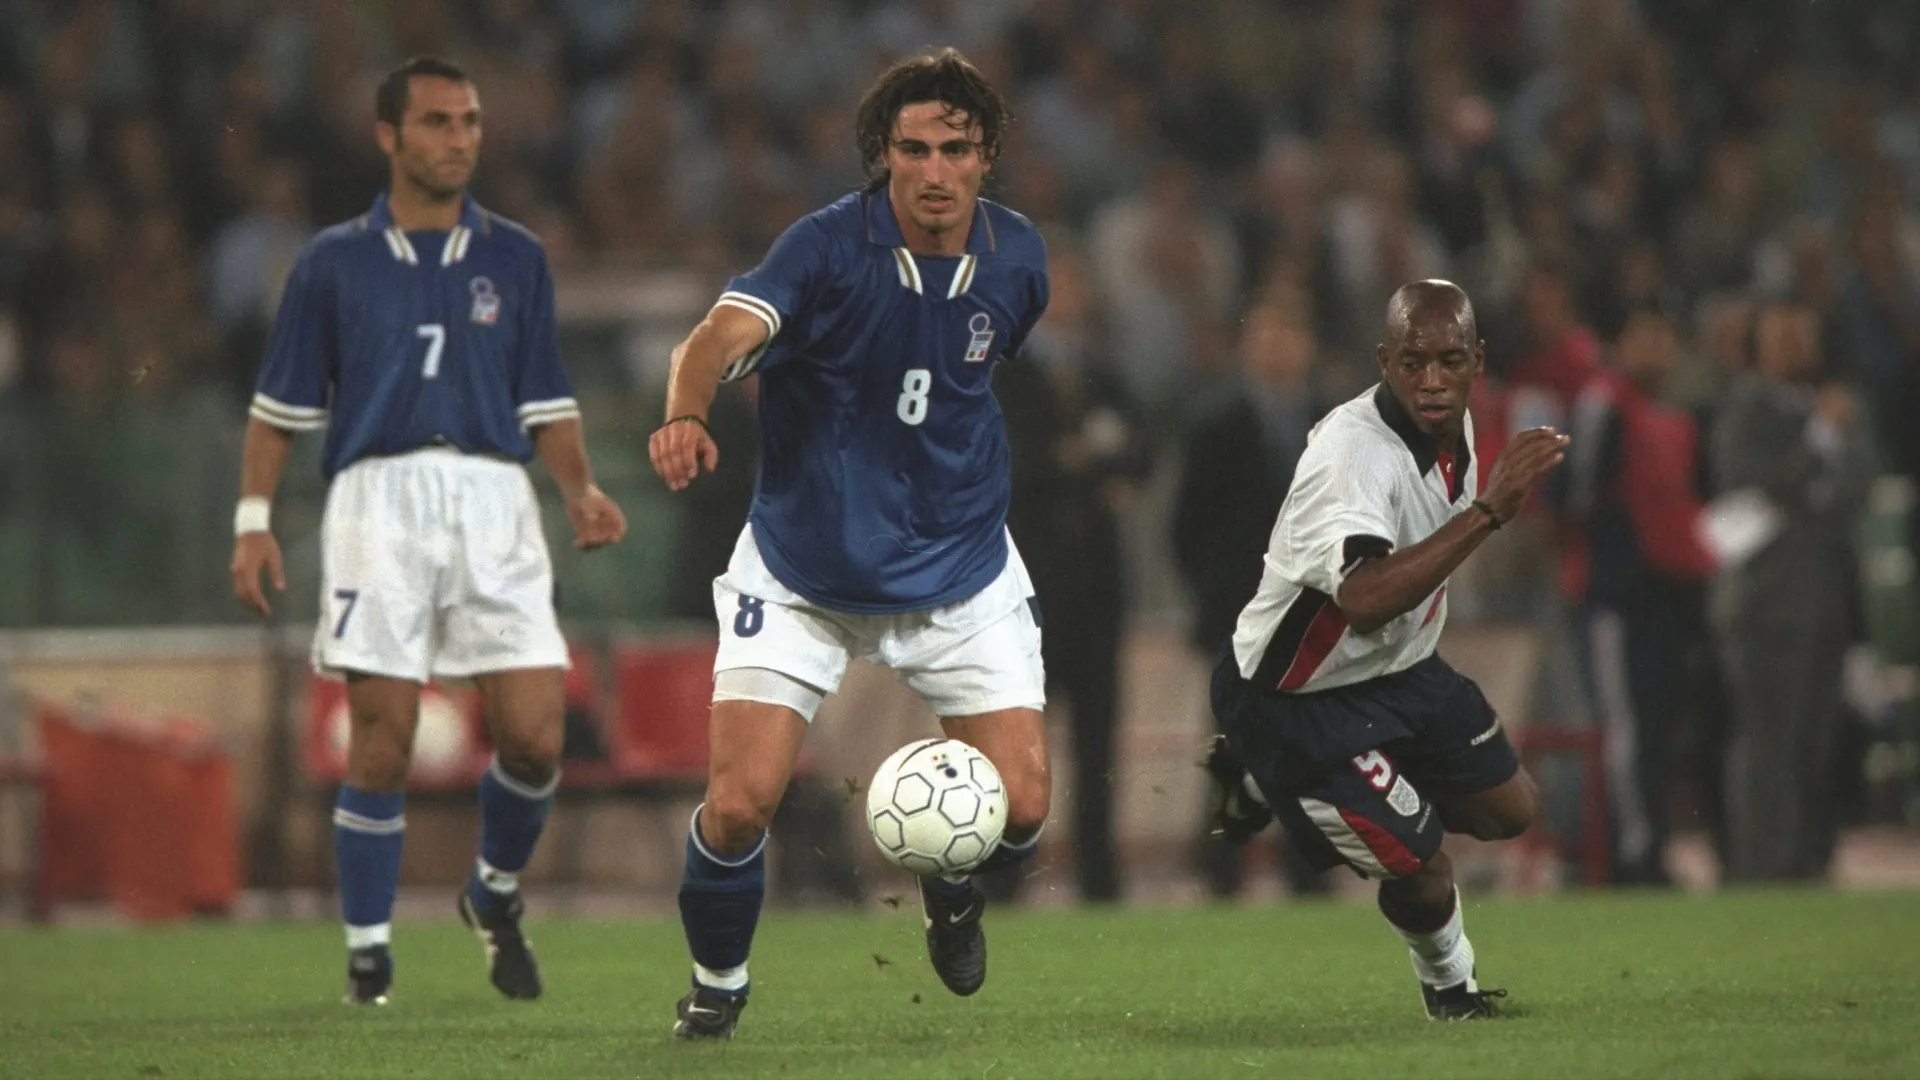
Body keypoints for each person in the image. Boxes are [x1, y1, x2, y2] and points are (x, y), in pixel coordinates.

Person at [647, 49, 1051, 1040]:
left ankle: (952, 886)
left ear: (985, 156)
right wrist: (688, 410)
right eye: (912, 149)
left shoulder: (1019, 257)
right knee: (740, 805)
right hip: (804, 574)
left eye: (954, 149)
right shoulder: (822, 251)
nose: (934, 170)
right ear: (883, 155)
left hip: (959, 572)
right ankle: (717, 985)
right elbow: (712, 336)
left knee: (1026, 812)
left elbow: (967, 376)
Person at [228, 57, 628, 1006]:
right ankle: (369, 957)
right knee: (384, 736)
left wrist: (578, 489)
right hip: (377, 499)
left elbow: (547, 401)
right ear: (389, 136)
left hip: (496, 497)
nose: (460, 139)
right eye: (440, 122)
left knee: (535, 738)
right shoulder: (332, 262)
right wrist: (254, 524)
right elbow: (278, 409)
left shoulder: (515, 256)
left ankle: (492, 895)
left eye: (471, 122)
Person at [1204, 280, 1565, 1019]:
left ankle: (1301, 785)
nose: (1431, 381)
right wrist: (1493, 511)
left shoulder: (1450, 423)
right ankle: (1452, 991)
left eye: (1449, 361)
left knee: (1514, 808)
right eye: (1412, 362)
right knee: (1425, 865)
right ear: (1383, 361)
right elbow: (1362, 599)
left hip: (1401, 673)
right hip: (1299, 699)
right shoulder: (1354, 456)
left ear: (1477, 361)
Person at [1171, 297, 1335, 899]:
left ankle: (1307, 872)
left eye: (1289, 331)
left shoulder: (1337, 427)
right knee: (1234, 742)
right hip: (1237, 617)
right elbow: (1185, 529)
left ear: (1308, 346)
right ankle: (1223, 874)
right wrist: (1221, 595)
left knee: (1311, 743)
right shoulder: (1216, 427)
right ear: (1249, 345)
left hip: (1319, 617)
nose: (1277, 345)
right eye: (1267, 331)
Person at [1709, 303, 1873, 881]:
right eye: (1781, 337)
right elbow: (1757, 480)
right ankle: (1760, 867)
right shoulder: (1747, 408)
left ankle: (1806, 863)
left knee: (1813, 741)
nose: (1794, 347)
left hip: (1826, 601)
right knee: (1766, 743)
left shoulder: (1825, 407)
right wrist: (1821, 436)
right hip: (1765, 605)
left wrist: (1825, 447)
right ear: (1759, 346)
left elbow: (1857, 485)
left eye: (1801, 334)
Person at [1565, 302, 1717, 885]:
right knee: (1626, 728)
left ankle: (1647, 841)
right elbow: (1579, 494)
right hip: (1617, 596)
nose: (1656, 350)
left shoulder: (1671, 416)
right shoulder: (1605, 403)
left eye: (1664, 338)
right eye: (1645, 336)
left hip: (1664, 595)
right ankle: (1633, 854)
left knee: (1653, 725)